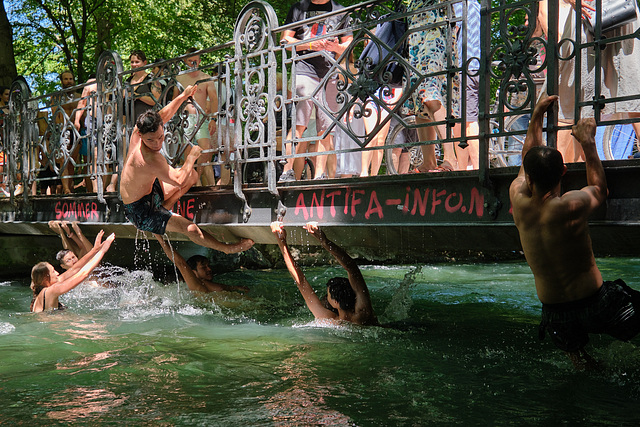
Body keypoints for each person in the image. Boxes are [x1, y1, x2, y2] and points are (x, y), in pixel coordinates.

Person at [509, 95, 640, 369]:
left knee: (582, 367)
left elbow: (528, 160)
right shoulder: (570, 205)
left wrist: (536, 117)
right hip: (597, 303)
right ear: (564, 172)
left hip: (555, 313)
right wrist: (588, 143)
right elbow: (600, 190)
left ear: (529, 178)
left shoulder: (518, 202)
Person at [120, 84, 254, 254]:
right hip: (139, 209)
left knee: (192, 176)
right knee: (190, 228)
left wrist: (183, 96)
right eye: (150, 140)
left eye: (160, 137)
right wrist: (191, 156)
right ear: (140, 136)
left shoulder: (142, 128)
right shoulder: (150, 158)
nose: (157, 144)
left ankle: (165, 208)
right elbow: (178, 180)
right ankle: (226, 249)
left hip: (149, 190)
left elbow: (164, 114)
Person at [536, 0, 640, 162]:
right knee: (572, 99)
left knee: (633, 88)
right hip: (589, 18)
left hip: (617, 13)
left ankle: (568, 172)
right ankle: (568, 170)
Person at [278, 0, 353, 181]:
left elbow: (349, 44)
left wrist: (335, 47)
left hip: (330, 72)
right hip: (304, 69)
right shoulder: (298, 7)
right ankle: (286, 172)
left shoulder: (341, 11)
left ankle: (319, 175)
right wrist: (311, 44)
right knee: (299, 124)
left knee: (326, 128)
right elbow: (284, 40)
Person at [270, 221, 378, 325]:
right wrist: (324, 241)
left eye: (328, 295)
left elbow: (301, 281)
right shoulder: (363, 315)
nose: (326, 297)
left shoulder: (328, 321)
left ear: (336, 303)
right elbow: (352, 268)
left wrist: (281, 241)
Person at [405, 0, 460, 172]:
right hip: (415, 31)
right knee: (419, 100)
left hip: (434, 28)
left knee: (429, 93)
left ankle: (451, 158)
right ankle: (428, 160)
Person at [30, 230, 115, 312]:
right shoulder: (51, 290)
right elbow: (83, 274)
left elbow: (74, 270)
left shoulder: (44, 289)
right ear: (45, 279)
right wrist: (102, 251)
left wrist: (94, 250)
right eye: (53, 272)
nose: (57, 273)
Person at [176, 48, 218, 186]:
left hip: (202, 119)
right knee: (187, 153)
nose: (193, 63)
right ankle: (193, 182)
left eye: (195, 61)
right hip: (185, 119)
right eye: (190, 61)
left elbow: (214, 99)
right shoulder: (179, 78)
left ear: (200, 61)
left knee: (205, 150)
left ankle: (197, 177)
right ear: (185, 61)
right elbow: (174, 99)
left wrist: (213, 119)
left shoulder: (206, 78)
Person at [155, 235, 249, 293]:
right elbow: (180, 263)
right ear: (193, 272)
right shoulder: (196, 285)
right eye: (203, 267)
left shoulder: (207, 284)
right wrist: (159, 237)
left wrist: (236, 288)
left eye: (208, 266)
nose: (209, 269)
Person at [452, 0, 481, 170]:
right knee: (459, 122)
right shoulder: (477, 5)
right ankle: (461, 170)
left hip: (464, 68)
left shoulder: (459, 4)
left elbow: (451, 32)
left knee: (468, 121)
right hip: (475, 67)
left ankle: (478, 169)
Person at [51, 70, 81, 194]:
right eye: (66, 79)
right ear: (62, 81)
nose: (69, 82)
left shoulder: (79, 96)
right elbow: (54, 114)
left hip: (76, 131)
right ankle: (66, 189)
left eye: (70, 79)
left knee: (73, 161)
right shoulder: (56, 97)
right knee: (64, 160)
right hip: (63, 131)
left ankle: (71, 186)